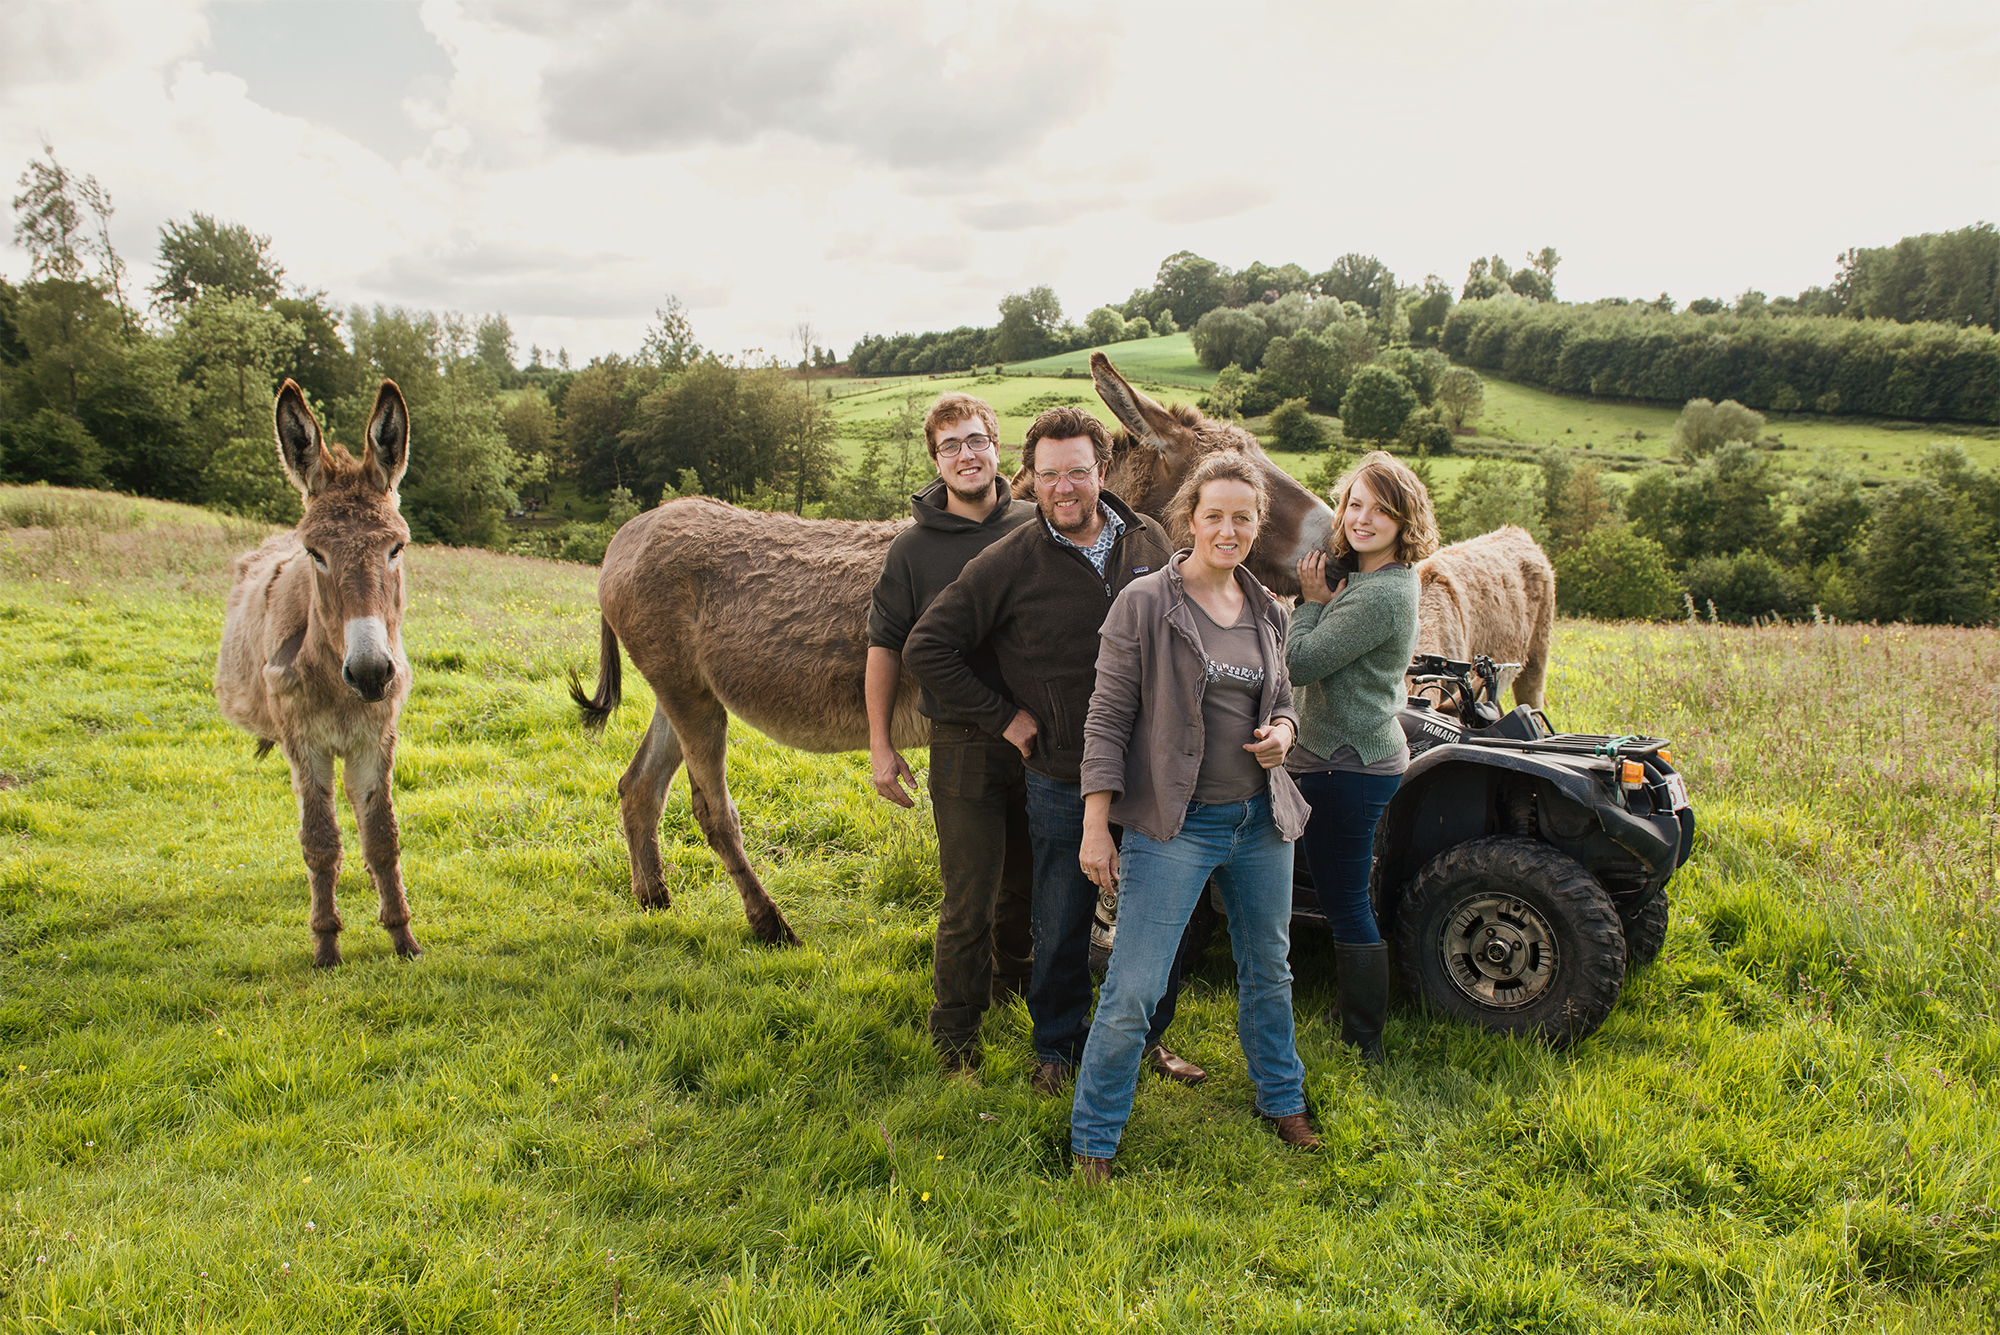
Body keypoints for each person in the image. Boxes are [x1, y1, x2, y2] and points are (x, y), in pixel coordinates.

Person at [904, 406, 1206, 1097]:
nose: (1063, 487)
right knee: (1061, 916)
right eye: (1048, 475)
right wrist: (1004, 716)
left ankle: (1147, 1038)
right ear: (1029, 480)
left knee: (1161, 919)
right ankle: (1057, 1048)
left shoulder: (1148, 541)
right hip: (1062, 776)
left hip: (1152, 773)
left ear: (1102, 471)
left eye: (1077, 471)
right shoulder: (1010, 560)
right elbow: (928, 646)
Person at [1068, 454, 1317, 1180]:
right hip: (1176, 827)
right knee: (1135, 985)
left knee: (1269, 968)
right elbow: (1107, 719)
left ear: (1256, 524)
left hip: (1262, 819)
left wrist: (1285, 734)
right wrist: (1095, 824)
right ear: (1191, 519)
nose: (1229, 529)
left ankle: (1282, 1097)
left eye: (1244, 517)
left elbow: (1284, 700)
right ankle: (1094, 1138)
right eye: (1216, 515)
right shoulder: (1145, 603)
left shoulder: (1268, 606)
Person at [865, 392, 1036, 1076]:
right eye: (949, 446)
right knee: (969, 893)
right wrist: (881, 744)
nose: (965, 455)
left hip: (1043, 739)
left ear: (998, 448)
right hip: (963, 739)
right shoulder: (913, 549)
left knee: (1023, 885)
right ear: (936, 460)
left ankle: (1012, 988)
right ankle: (955, 1035)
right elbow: (884, 646)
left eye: (975, 440)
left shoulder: (1035, 523)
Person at [1285, 450, 1437, 1062]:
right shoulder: (1374, 580)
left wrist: (1312, 601)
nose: (1362, 518)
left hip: (1343, 763)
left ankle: (1364, 1039)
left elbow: (1301, 662)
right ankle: (1356, 1009)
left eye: (1382, 510)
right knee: (1347, 891)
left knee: (1343, 897)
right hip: (1350, 756)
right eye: (1355, 504)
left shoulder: (1381, 594)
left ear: (1405, 522)